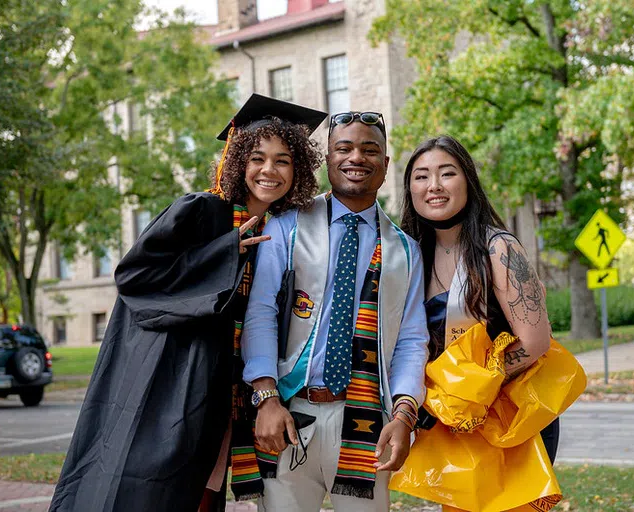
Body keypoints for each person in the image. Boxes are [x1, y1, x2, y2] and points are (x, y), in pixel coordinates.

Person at [50, 94, 326, 512]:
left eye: (283, 160)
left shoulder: (285, 231)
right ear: (237, 161)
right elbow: (135, 276)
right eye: (257, 158)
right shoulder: (202, 211)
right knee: (152, 490)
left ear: (298, 169)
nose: (269, 170)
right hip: (172, 378)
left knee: (204, 490)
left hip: (227, 387)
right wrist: (223, 251)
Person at [240, 111, 429, 512]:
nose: (355, 157)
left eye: (369, 149)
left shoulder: (405, 251)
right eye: (343, 148)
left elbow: (412, 340)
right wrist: (266, 398)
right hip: (292, 411)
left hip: (365, 420)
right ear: (328, 158)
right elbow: (259, 313)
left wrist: (404, 415)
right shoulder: (286, 228)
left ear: (385, 164)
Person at [392, 135, 584, 512]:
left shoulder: (498, 248)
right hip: (454, 424)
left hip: (513, 420)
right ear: (409, 187)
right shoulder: (411, 254)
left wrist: (471, 391)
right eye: (421, 176)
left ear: (468, 180)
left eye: (447, 173)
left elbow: (534, 341)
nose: (433, 186)